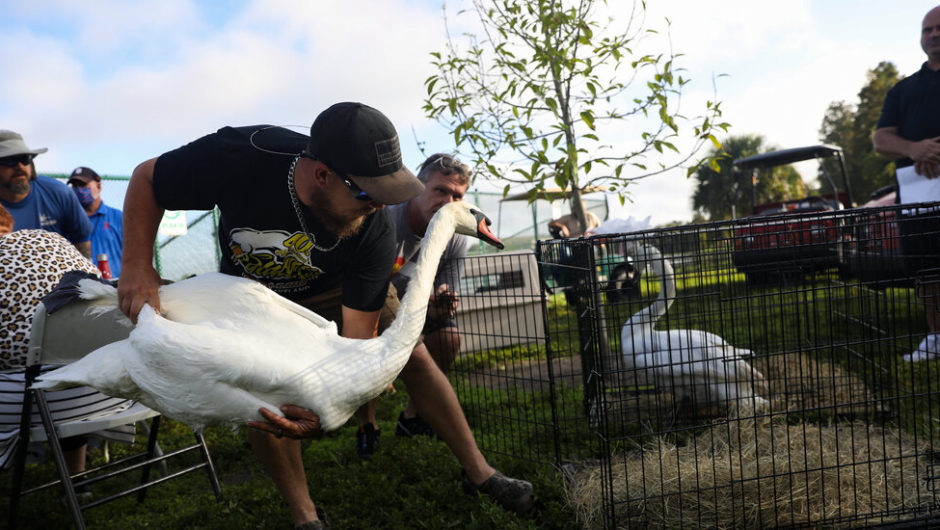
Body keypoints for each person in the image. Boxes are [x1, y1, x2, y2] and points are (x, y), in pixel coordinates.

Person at [116, 102, 534, 529]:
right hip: (256, 296)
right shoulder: (243, 155)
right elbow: (149, 178)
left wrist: (331, 403)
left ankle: (480, 472)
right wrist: (135, 264)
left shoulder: (374, 229)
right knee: (265, 393)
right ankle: (306, 518)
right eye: (367, 195)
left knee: (414, 356)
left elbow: (352, 348)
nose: (377, 207)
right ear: (322, 176)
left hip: (338, 287)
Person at [0, 204, 135, 487]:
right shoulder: (53, 241)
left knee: (40, 372)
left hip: (38, 404)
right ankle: (77, 480)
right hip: (114, 389)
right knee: (63, 363)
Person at [354, 153, 473, 454]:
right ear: (418, 187)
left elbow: (448, 282)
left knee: (448, 336)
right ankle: (368, 424)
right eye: (440, 190)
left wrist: (441, 303)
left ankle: (412, 416)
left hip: (415, 309)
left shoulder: (456, 237)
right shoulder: (384, 221)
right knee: (368, 341)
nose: (448, 201)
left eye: (457, 196)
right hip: (369, 303)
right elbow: (363, 286)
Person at [873, 5, 940, 362]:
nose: (933, 34)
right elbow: (882, 140)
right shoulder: (903, 90)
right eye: (927, 29)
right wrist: (916, 149)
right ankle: (936, 336)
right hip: (919, 197)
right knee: (927, 268)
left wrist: (935, 150)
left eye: (939, 28)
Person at [0, 131, 92, 258]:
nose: (20, 166)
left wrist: (84, 276)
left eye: (25, 159)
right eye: (10, 160)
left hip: (56, 275)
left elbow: (82, 240)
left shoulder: (59, 193)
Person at [68, 166, 124, 277]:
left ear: (98, 186)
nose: (78, 189)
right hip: (82, 288)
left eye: (83, 185)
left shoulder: (118, 217)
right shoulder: (68, 221)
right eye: (75, 186)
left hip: (115, 286)